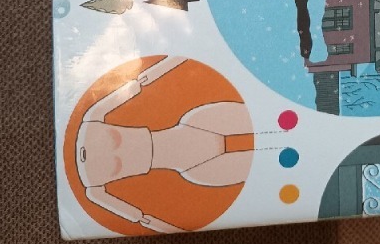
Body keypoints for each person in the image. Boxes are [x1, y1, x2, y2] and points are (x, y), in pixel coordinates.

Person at [75, 56, 253, 233]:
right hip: (193, 166)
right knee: (255, 166)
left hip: (193, 127)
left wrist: (181, 56)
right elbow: (142, 219)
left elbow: (140, 82)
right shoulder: (93, 187)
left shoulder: (92, 119)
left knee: (255, 119)